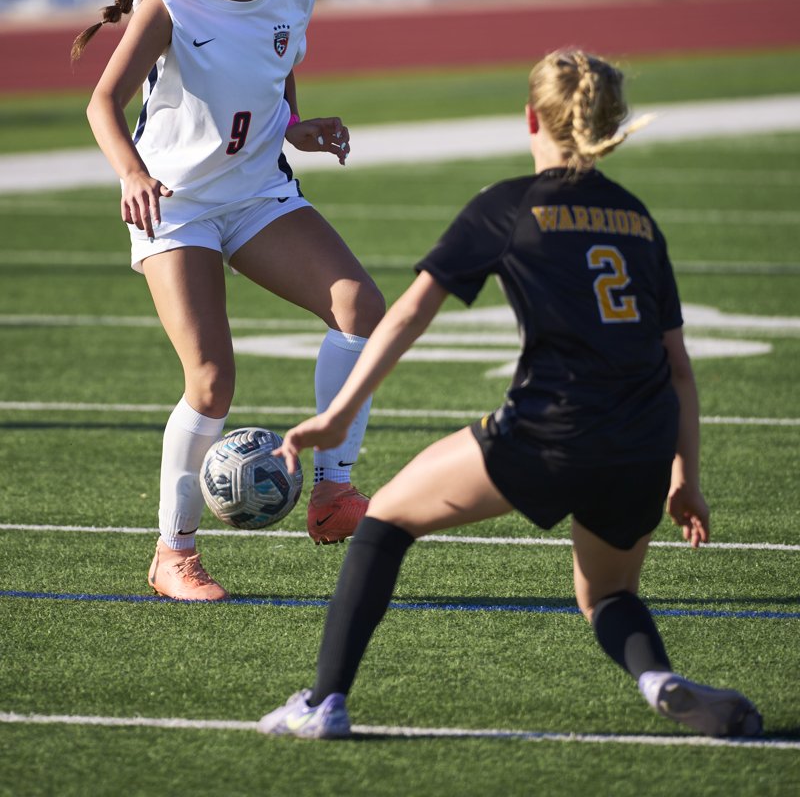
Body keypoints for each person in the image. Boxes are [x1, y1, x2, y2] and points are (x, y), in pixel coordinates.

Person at [258, 48, 763, 740]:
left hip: (551, 427)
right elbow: (678, 366)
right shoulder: (638, 218)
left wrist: (337, 416)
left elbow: (404, 316)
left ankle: (322, 703)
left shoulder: (508, 207)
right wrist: (686, 478)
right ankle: (660, 679)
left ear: (531, 116)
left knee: (384, 523)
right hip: (642, 439)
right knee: (609, 594)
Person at [71, 0, 385, 602]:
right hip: (175, 202)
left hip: (254, 196)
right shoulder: (170, 1)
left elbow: (274, 74)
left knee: (362, 309)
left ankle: (334, 492)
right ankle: (173, 554)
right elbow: (101, 104)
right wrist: (133, 173)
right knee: (211, 381)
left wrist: (297, 127)